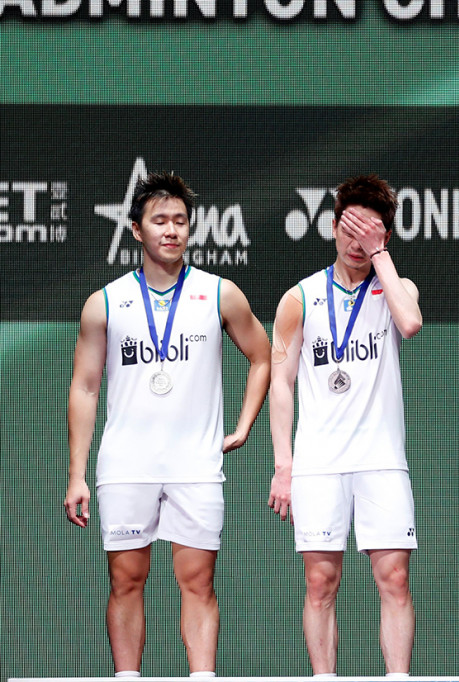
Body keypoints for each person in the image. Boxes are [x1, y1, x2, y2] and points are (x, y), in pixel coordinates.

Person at [63, 171, 272, 677]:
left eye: (180, 220)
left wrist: (244, 425)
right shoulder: (105, 302)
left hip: (195, 466)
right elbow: (85, 388)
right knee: (125, 582)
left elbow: (263, 356)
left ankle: (202, 678)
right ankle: (127, 678)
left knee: (198, 583)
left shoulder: (219, 293)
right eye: (160, 220)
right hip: (126, 465)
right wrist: (76, 474)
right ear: (137, 229)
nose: (172, 230)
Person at [267, 174, 422, 678]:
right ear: (333, 228)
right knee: (320, 583)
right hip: (319, 462)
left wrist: (381, 256)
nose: (358, 242)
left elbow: (410, 323)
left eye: (371, 233)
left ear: (386, 238)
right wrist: (284, 466)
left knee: (394, 578)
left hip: (381, 459)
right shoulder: (299, 298)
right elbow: (281, 383)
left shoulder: (397, 289)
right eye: (350, 230)